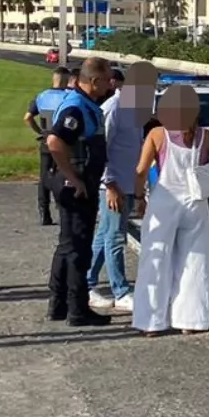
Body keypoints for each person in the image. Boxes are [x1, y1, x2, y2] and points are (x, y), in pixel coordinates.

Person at [131, 83, 209, 335]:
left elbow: (141, 170)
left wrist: (138, 198)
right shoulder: (205, 136)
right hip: (196, 203)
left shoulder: (157, 134)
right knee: (196, 260)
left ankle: (151, 322)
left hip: (163, 201)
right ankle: (191, 321)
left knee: (155, 260)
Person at [44, 58, 117, 326]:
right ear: (94, 81)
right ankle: (77, 309)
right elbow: (55, 140)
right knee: (78, 248)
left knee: (67, 245)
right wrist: (73, 178)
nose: (111, 84)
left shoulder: (86, 105)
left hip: (77, 181)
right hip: (75, 185)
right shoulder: (76, 108)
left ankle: (58, 304)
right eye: (107, 79)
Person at [87, 63, 157, 313]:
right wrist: (109, 183)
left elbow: (135, 152)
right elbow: (100, 148)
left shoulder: (136, 111)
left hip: (128, 183)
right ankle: (120, 290)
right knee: (116, 237)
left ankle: (88, 281)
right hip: (112, 184)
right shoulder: (113, 108)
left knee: (105, 234)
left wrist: (140, 191)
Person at [26, 67, 72, 226]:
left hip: (46, 139)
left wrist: (39, 130)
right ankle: (62, 207)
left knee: (44, 176)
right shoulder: (69, 97)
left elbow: (28, 117)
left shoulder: (42, 96)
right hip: (63, 142)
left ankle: (43, 213)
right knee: (64, 174)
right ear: (66, 80)